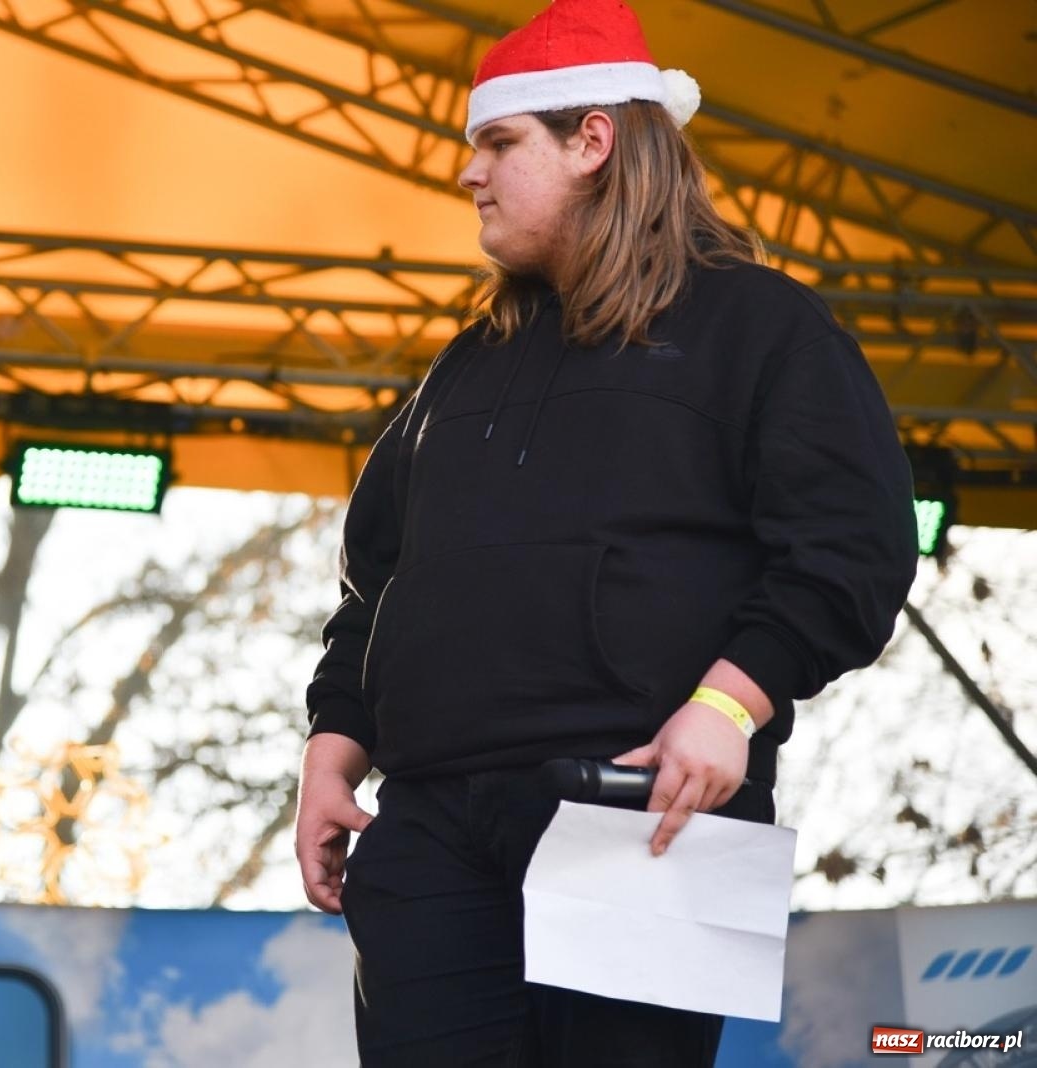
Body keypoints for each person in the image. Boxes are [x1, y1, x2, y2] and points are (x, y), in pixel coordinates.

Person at [294, 0, 919, 1063]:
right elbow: (379, 583)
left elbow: (854, 545)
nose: (467, 174)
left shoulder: (762, 326)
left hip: (647, 815)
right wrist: (330, 745)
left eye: (497, 142)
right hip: (433, 824)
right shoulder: (464, 365)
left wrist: (731, 702)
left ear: (592, 140)